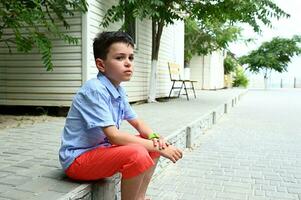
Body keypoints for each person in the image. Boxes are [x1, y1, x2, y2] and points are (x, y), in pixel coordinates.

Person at [59, 31, 183, 200]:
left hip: (101, 151)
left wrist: (155, 138)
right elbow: (114, 136)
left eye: (131, 58)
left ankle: (139, 196)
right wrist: (155, 146)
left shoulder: (118, 90)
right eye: (120, 58)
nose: (128, 63)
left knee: (151, 142)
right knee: (138, 153)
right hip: (78, 160)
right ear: (101, 65)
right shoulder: (95, 90)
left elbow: (137, 122)